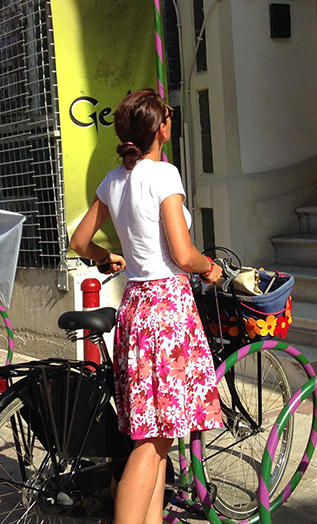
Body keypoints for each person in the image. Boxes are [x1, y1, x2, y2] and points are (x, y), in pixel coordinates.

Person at [69, 88, 224, 524]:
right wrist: (208, 268)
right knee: (151, 442)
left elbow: (79, 242)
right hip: (168, 312)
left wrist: (105, 258)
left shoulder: (112, 180)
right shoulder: (163, 175)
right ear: (161, 128)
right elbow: (182, 252)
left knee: (158, 434)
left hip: (135, 308)